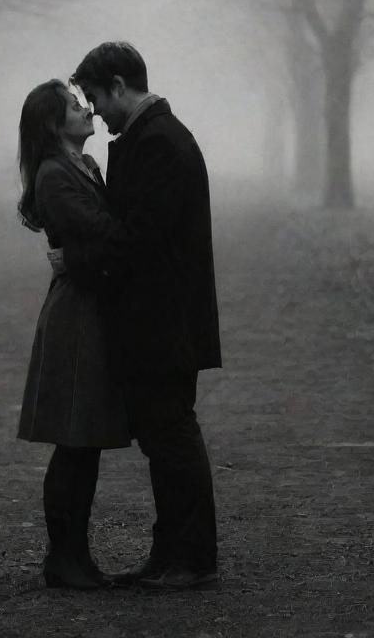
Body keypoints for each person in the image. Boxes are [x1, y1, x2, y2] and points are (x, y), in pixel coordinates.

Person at [65, 41, 222, 590]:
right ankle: (173, 553)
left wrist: (75, 259)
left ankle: (193, 558)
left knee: (172, 435)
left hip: (163, 320)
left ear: (117, 86)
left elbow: (140, 239)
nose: (96, 111)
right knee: (164, 438)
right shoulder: (150, 137)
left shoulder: (157, 143)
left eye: (95, 98)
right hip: (159, 318)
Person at [15, 80, 132, 590]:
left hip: (91, 305)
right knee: (74, 439)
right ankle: (64, 557)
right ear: (52, 123)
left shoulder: (82, 165)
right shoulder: (53, 173)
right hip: (77, 313)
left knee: (83, 442)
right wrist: (137, 235)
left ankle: (73, 557)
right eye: (74, 107)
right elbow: (104, 232)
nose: (87, 110)